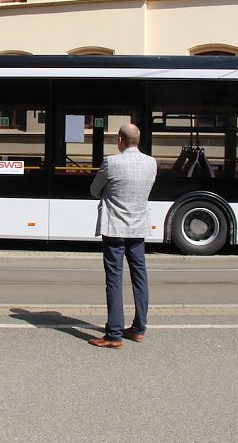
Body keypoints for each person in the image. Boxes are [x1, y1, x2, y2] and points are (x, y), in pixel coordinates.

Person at [87, 123, 157, 349]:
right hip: (138, 228)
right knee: (140, 276)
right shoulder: (151, 163)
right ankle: (138, 329)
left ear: (120, 140)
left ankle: (114, 334)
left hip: (115, 229)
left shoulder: (112, 162)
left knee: (114, 278)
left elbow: (94, 190)